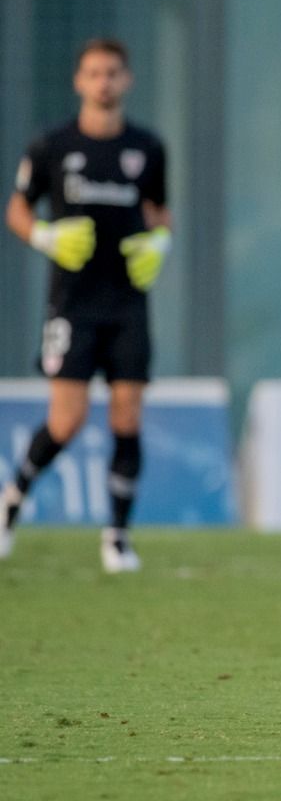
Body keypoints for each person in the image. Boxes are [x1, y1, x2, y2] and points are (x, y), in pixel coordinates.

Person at [2, 38, 172, 573]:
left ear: (127, 81)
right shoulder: (52, 146)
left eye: (113, 73)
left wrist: (160, 243)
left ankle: (117, 536)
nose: (103, 82)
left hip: (127, 303)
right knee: (67, 419)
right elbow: (18, 210)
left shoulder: (147, 147)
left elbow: (159, 212)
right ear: (79, 80)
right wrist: (45, 238)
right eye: (94, 73)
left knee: (128, 413)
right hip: (72, 304)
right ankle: (11, 501)